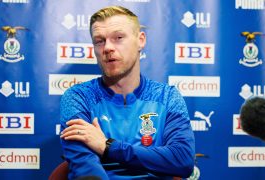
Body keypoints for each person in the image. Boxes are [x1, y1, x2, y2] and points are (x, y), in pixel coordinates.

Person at [60, 5, 195, 180]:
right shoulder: (78, 97)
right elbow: (86, 170)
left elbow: (183, 160)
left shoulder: (167, 97)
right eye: (99, 41)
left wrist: (108, 147)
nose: (107, 47)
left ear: (141, 40)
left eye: (118, 38)